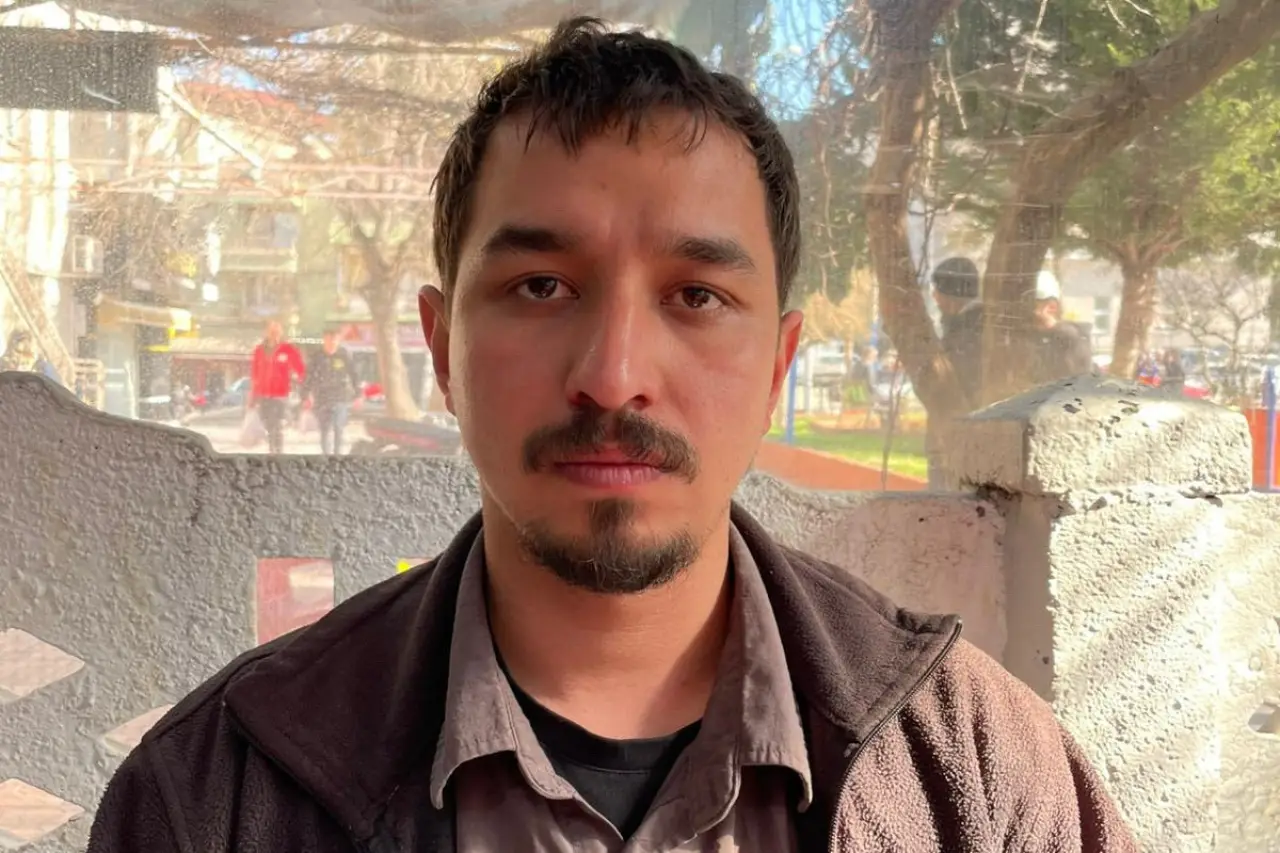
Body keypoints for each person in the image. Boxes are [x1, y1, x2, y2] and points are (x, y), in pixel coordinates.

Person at [88, 18, 1136, 853]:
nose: (613, 374)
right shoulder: (212, 796)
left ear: (776, 365)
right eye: (541, 286)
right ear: (442, 348)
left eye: (695, 295)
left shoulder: (979, 771)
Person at [931, 256, 984, 403]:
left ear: (951, 294)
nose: (934, 296)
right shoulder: (970, 325)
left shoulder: (967, 334)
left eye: (938, 289)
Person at [248, 320, 305, 454]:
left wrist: (304, 386)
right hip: (263, 394)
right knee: (268, 424)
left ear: (281, 332)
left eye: (277, 331)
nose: (274, 333)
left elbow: (300, 369)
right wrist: (252, 395)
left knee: (277, 424)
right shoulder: (259, 350)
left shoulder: (288, 349)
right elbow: (255, 374)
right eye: (271, 331)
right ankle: (272, 449)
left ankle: (277, 452)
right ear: (266, 332)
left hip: (280, 394)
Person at [1028, 270, 1093, 385]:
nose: (1028, 310)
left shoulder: (1069, 339)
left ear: (1052, 307)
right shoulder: (1028, 338)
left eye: (1034, 304)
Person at [305, 326, 361, 456]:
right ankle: (326, 454)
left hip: (340, 396)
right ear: (324, 340)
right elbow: (308, 376)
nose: (331, 343)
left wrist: (358, 394)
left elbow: (354, 375)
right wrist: (305, 395)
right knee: (324, 429)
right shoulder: (317, 356)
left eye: (334, 340)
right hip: (322, 397)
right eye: (329, 340)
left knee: (338, 427)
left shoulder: (344, 355)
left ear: (338, 340)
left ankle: (337, 455)